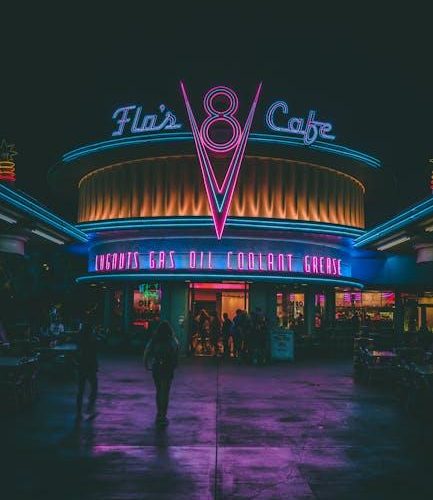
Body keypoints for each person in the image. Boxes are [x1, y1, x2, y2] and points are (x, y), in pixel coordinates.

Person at [143, 321, 179, 426]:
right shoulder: (172, 340)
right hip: (167, 367)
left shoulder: (154, 340)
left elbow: (146, 351)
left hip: (156, 366)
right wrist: (175, 364)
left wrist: (145, 364)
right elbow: (176, 352)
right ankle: (163, 415)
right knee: (165, 392)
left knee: (158, 391)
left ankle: (159, 413)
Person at [75, 322, 98, 420]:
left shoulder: (81, 339)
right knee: (94, 387)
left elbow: (78, 352)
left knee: (81, 389)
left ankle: (79, 410)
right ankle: (89, 408)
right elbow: (94, 354)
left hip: (82, 365)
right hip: (90, 366)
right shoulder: (92, 340)